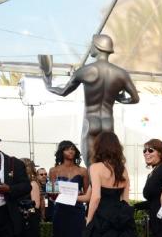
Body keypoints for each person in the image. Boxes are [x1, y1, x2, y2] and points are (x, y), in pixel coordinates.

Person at [42, 34, 140, 166]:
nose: (90, 49)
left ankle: (92, 187)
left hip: (91, 120)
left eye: (92, 45)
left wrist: (48, 84)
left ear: (98, 47)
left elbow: (63, 92)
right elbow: (135, 99)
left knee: (90, 165)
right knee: (109, 164)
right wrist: (119, 98)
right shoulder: (121, 74)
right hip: (108, 123)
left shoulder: (84, 71)